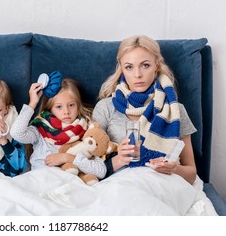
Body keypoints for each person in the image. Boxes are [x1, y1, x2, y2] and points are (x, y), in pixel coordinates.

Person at [93, 35, 197, 184]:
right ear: (122, 69)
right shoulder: (106, 108)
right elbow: (89, 168)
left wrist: (173, 169)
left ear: (157, 66)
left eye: (145, 65)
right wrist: (120, 159)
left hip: (164, 185)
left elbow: (191, 174)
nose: (137, 75)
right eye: (129, 67)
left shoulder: (175, 110)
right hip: (121, 185)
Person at [10, 76, 107, 182]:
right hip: (40, 183)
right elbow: (16, 133)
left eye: (71, 105)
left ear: (78, 106)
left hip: (69, 185)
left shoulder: (88, 130)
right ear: (50, 108)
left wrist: (67, 158)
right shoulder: (40, 130)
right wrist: (33, 103)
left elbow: (101, 171)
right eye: (59, 107)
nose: (66, 111)